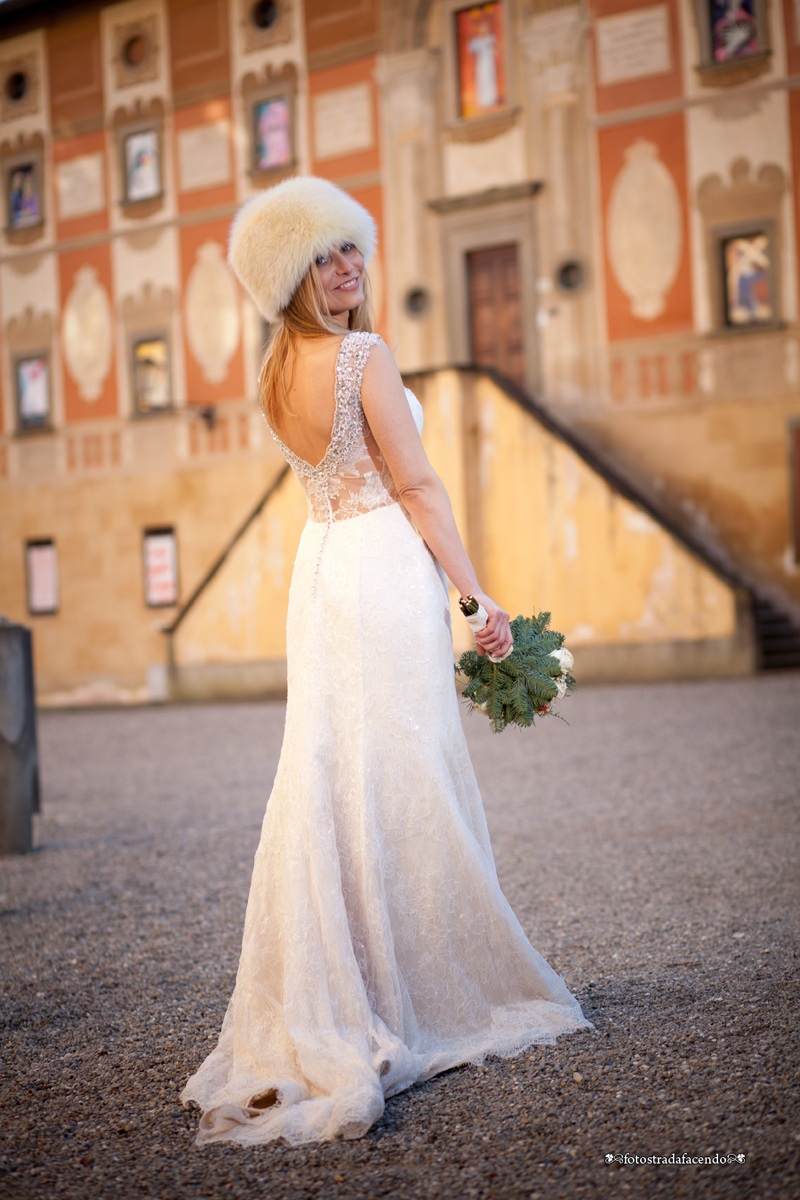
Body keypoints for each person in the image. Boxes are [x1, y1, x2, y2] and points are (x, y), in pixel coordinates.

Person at [180, 176, 590, 1146]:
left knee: (329, 775)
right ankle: (416, 992)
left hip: (321, 575)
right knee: (404, 774)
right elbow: (417, 485)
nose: (345, 267)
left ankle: (345, 987)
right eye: (321, 257)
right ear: (288, 276)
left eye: (350, 248)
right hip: (377, 569)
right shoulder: (361, 353)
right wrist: (473, 596)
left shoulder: (275, 372)